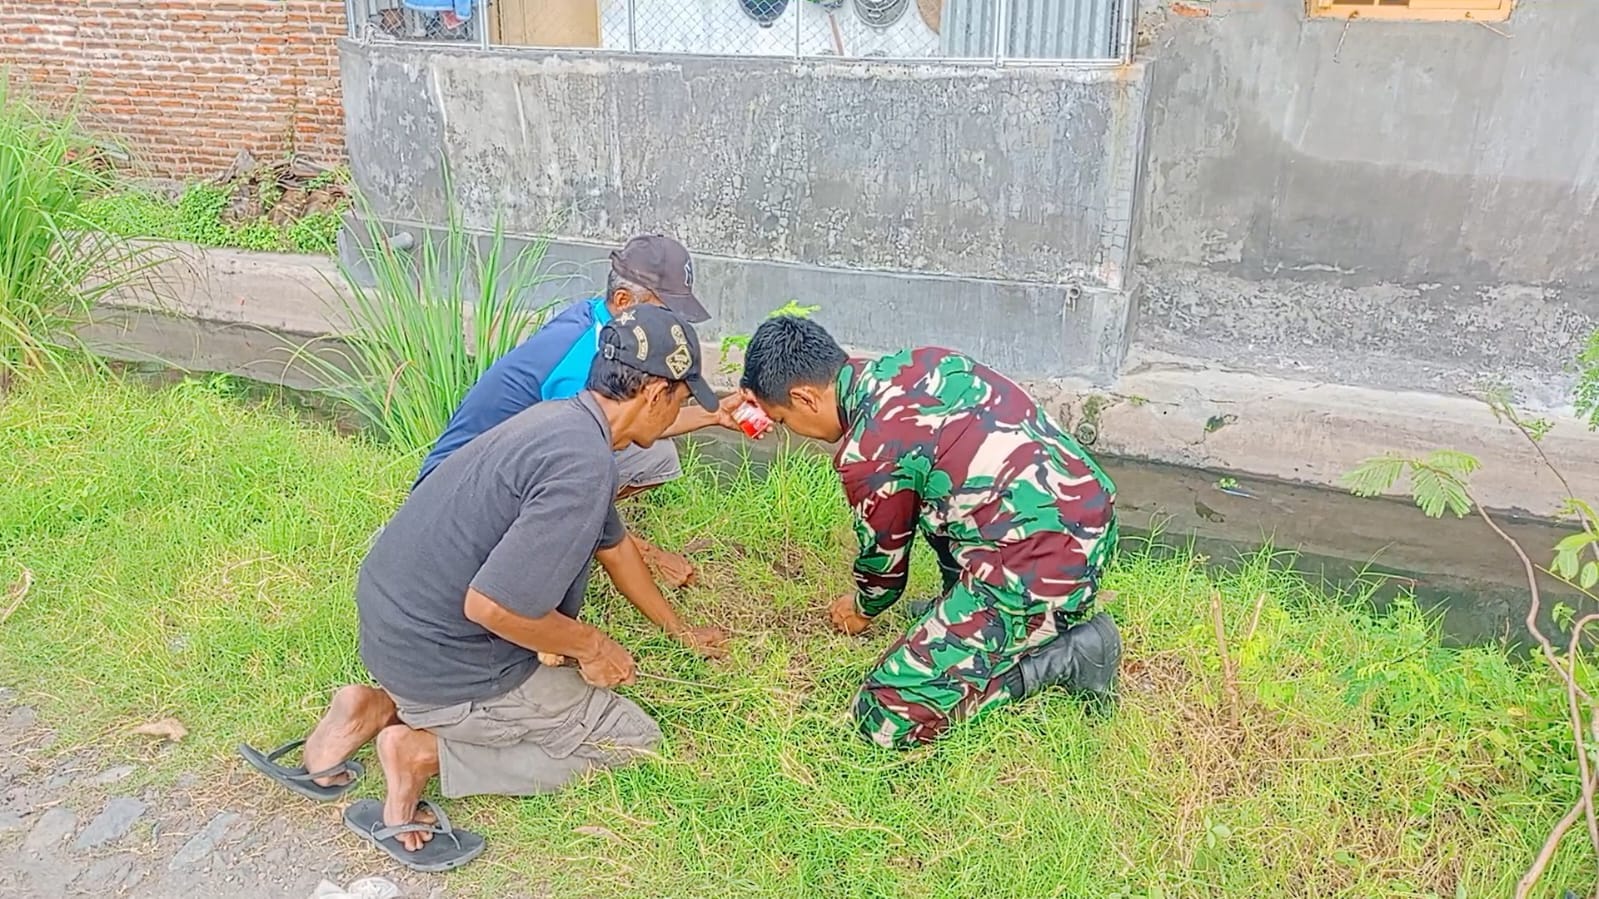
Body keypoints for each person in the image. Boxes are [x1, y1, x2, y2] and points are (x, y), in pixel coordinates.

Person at [240, 306, 730, 871]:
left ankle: (372, 706)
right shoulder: (583, 464)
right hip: (444, 662)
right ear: (656, 394)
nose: (678, 412)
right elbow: (493, 606)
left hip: (394, 630)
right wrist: (592, 647)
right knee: (631, 741)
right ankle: (420, 752)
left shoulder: (561, 421)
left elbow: (616, 550)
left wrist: (679, 630)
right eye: (681, 398)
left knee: (544, 666)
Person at [737, 316, 1122, 750]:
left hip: (1043, 565)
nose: (788, 429)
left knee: (884, 721)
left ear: (804, 398)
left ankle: (1069, 657)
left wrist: (862, 608)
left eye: (782, 419)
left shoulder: (869, 452)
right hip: (1090, 519)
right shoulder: (921, 364)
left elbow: (884, 573)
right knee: (936, 493)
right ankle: (965, 604)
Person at [416, 232, 742, 587]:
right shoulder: (580, 361)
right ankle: (531, 536)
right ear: (623, 300)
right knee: (592, 476)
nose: (672, 327)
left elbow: (634, 421)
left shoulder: (603, 324)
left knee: (656, 456)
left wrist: (714, 415)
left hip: (507, 460)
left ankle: (563, 532)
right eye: (665, 312)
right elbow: (575, 476)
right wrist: (649, 557)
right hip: (456, 491)